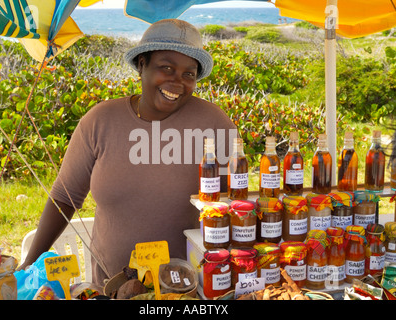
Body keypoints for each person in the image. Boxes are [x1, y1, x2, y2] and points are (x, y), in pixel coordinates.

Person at [18, 19, 237, 287]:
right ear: (142, 65)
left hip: (190, 288)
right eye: (166, 67)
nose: (177, 82)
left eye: (188, 74)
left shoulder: (214, 123)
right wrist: (28, 264)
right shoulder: (101, 120)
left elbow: (235, 203)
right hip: (111, 286)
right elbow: (64, 197)